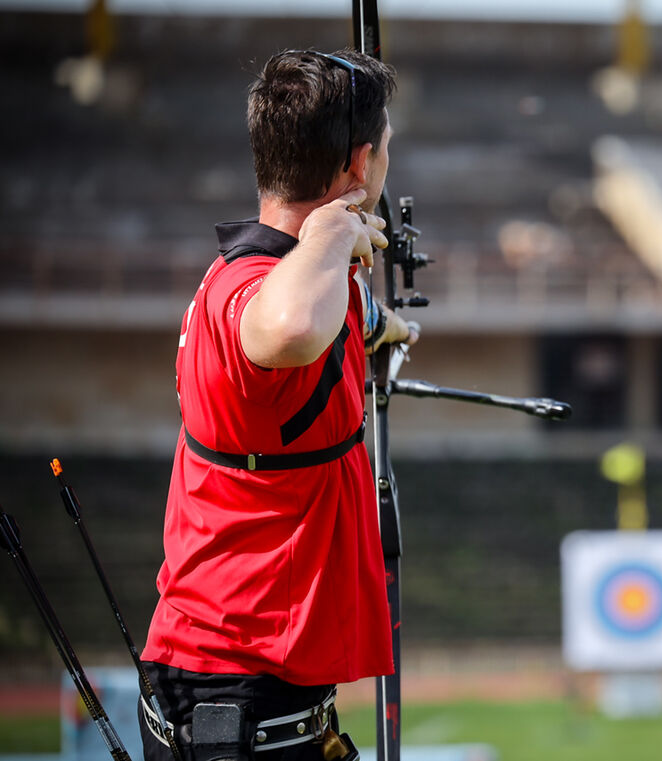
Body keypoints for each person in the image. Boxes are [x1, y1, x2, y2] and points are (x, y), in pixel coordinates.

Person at [137, 49, 413, 761]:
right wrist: (330, 233)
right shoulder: (253, 289)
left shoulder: (311, 282)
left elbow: (332, 314)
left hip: (258, 689)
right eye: (383, 152)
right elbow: (288, 327)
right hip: (231, 697)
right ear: (359, 167)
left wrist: (389, 322)